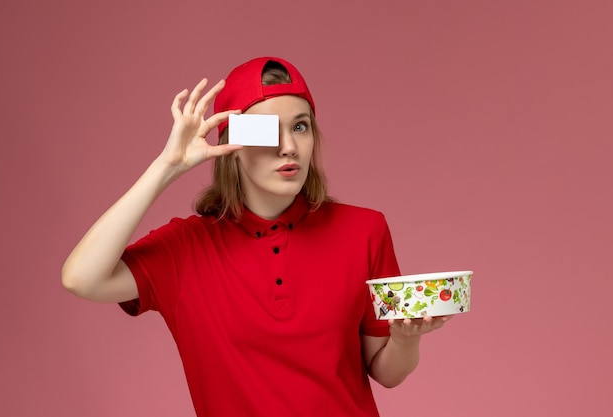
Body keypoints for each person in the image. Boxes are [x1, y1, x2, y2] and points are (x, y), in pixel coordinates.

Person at [61, 56, 451, 416]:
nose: (289, 147)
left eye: (301, 126)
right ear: (232, 144)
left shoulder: (364, 230)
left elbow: (387, 372)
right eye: (266, 131)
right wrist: (167, 166)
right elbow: (81, 278)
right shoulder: (185, 249)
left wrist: (404, 339)